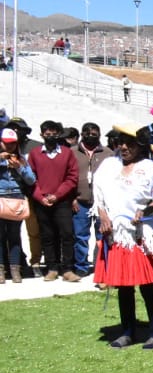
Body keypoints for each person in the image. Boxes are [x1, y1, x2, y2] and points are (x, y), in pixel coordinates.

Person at [93, 123, 153, 348]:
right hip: (116, 235)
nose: (124, 147)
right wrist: (103, 215)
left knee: (147, 285)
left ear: (141, 145)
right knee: (124, 286)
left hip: (140, 236)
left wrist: (145, 211)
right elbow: (98, 195)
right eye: (121, 143)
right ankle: (127, 332)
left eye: (130, 143)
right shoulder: (108, 166)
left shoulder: (151, 169)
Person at [27, 119, 80, 280]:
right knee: (48, 235)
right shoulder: (34, 154)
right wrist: (40, 197)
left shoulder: (67, 152)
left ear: (58, 135)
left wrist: (57, 195)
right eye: (47, 134)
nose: (50, 136)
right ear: (41, 135)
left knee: (67, 234)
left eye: (54, 134)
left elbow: (72, 177)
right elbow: (30, 179)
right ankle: (52, 268)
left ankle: (68, 269)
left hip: (62, 201)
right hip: (42, 202)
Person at [70, 122, 107, 278]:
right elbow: (68, 177)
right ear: (82, 134)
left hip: (101, 203)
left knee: (102, 236)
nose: (90, 136)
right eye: (87, 133)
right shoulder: (72, 152)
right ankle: (81, 266)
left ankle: (101, 266)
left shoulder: (108, 153)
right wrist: (72, 198)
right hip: (80, 201)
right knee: (80, 236)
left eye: (94, 133)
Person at [0, 127, 34, 283]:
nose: (9, 146)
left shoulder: (21, 159)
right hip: (0, 197)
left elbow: (31, 180)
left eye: (12, 143)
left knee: (15, 236)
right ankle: (1, 271)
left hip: (16, 198)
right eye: (6, 143)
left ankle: (15, 270)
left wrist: (19, 167)